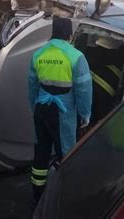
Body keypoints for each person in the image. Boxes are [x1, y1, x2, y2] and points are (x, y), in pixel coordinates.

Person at [28, 16, 92, 206]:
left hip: (41, 109)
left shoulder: (38, 54)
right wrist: (85, 114)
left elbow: (31, 85)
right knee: (67, 154)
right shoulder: (76, 56)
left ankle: (37, 196)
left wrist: (34, 107)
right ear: (70, 35)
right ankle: (62, 197)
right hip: (63, 114)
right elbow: (84, 89)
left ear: (53, 33)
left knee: (41, 152)